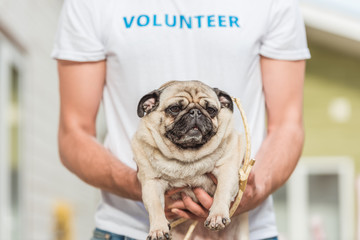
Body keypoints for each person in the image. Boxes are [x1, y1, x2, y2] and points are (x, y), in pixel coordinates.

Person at [52, 0, 310, 239]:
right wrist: (143, 183)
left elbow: (288, 124)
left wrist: (252, 188)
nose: (195, 116)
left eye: (206, 110)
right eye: (178, 109)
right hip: (130, 228)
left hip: (245, 230)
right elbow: (74, 132)